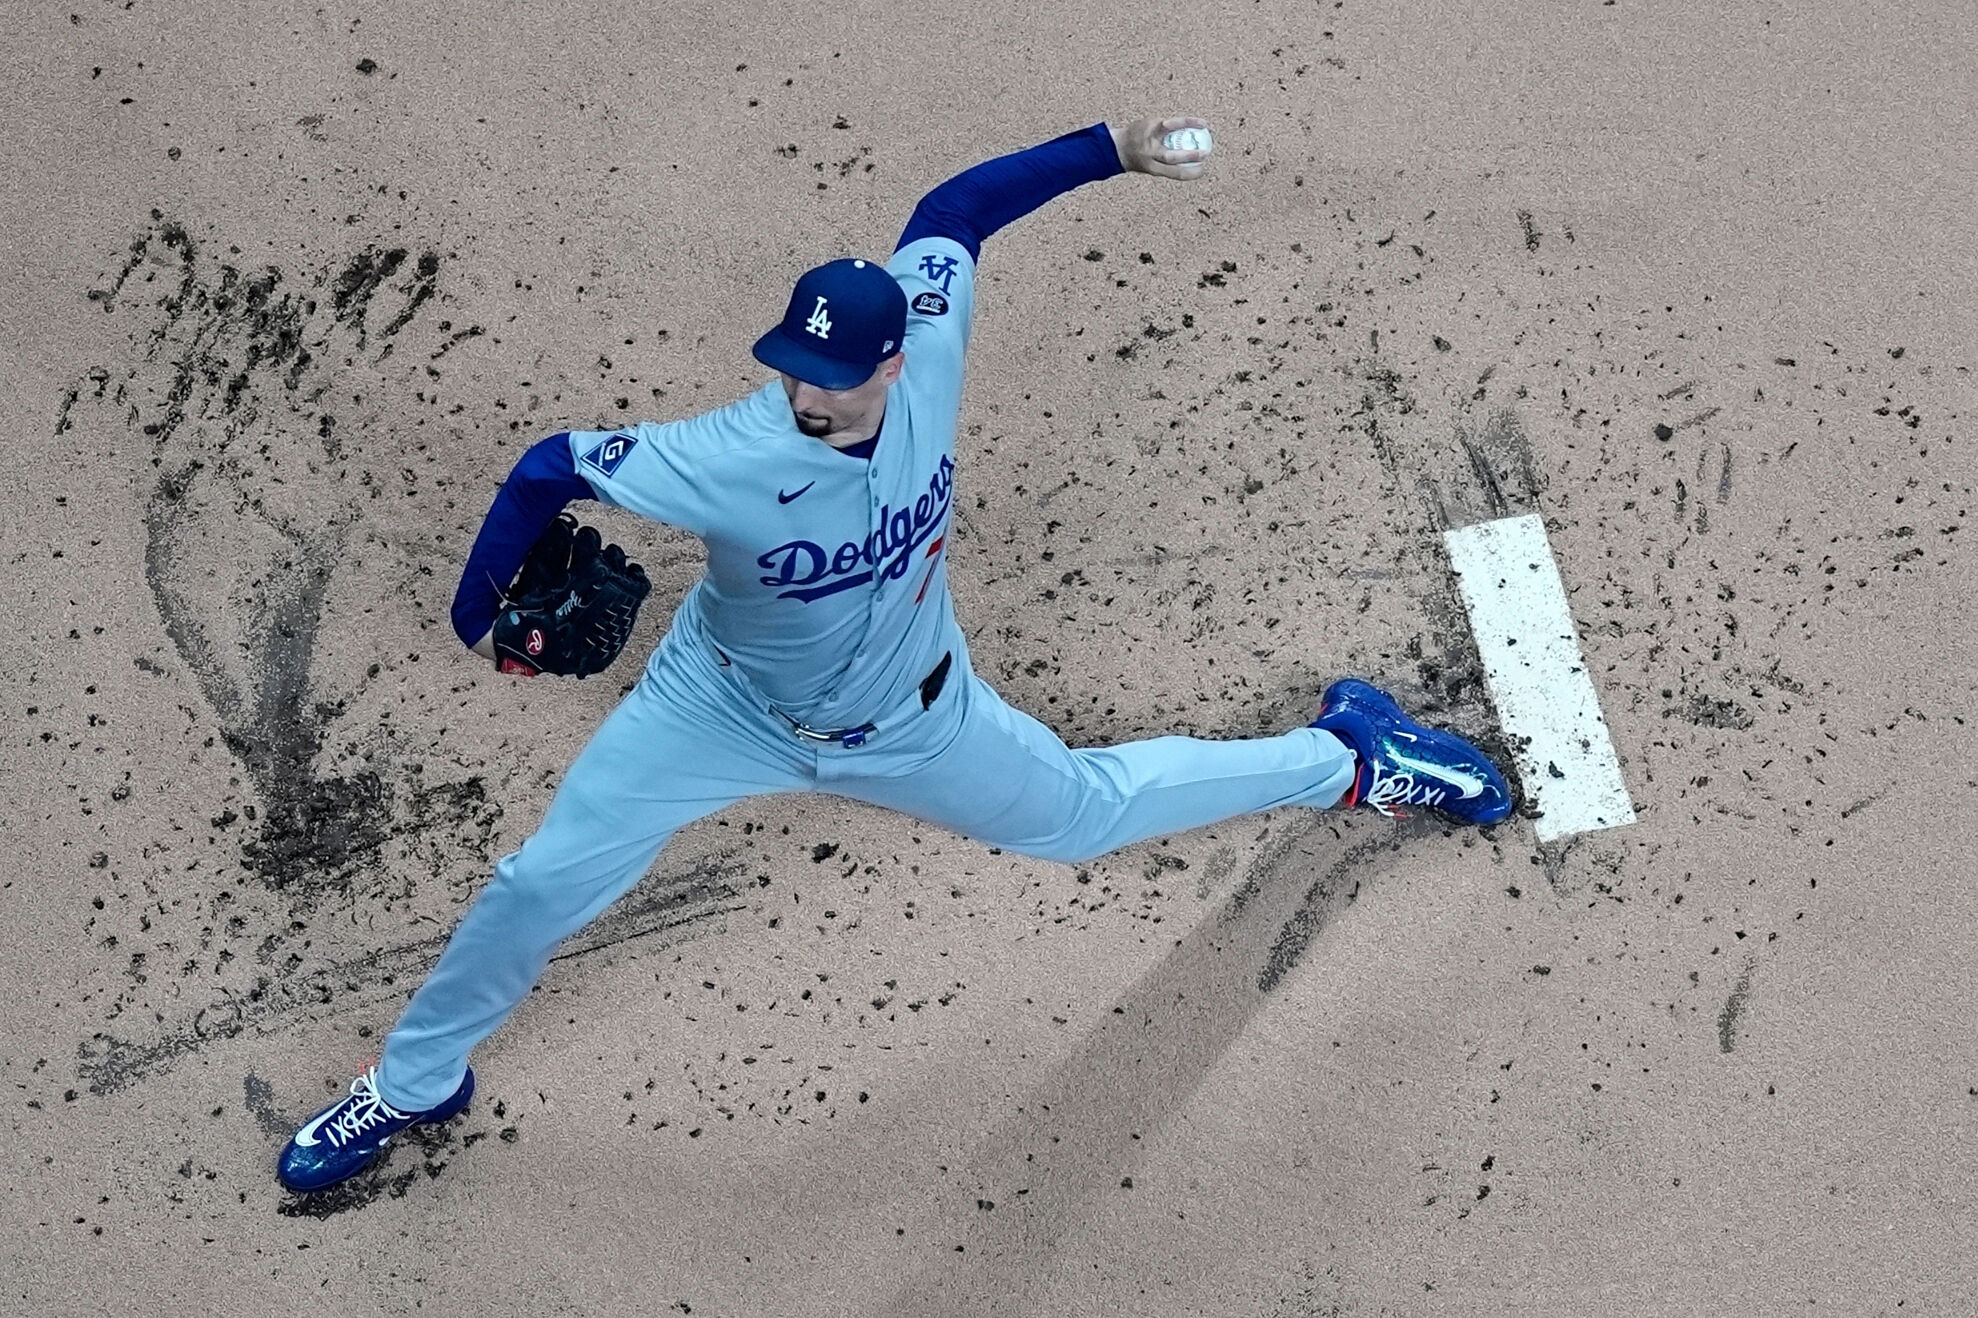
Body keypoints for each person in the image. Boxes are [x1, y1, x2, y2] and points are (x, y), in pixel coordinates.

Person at [276, 115, 1512, 1193]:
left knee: (1080, 816)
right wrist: (473, 610)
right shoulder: (726, 452)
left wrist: (1108, 152)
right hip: (716, 707)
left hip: (918, 722)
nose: (805, 398)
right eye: (791, 373)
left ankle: (1347, 755)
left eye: (830, 380)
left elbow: (955, 212)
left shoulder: (928, 345)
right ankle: (411, 1082)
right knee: (535, 886)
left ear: (890, 359)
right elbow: (552, 463)